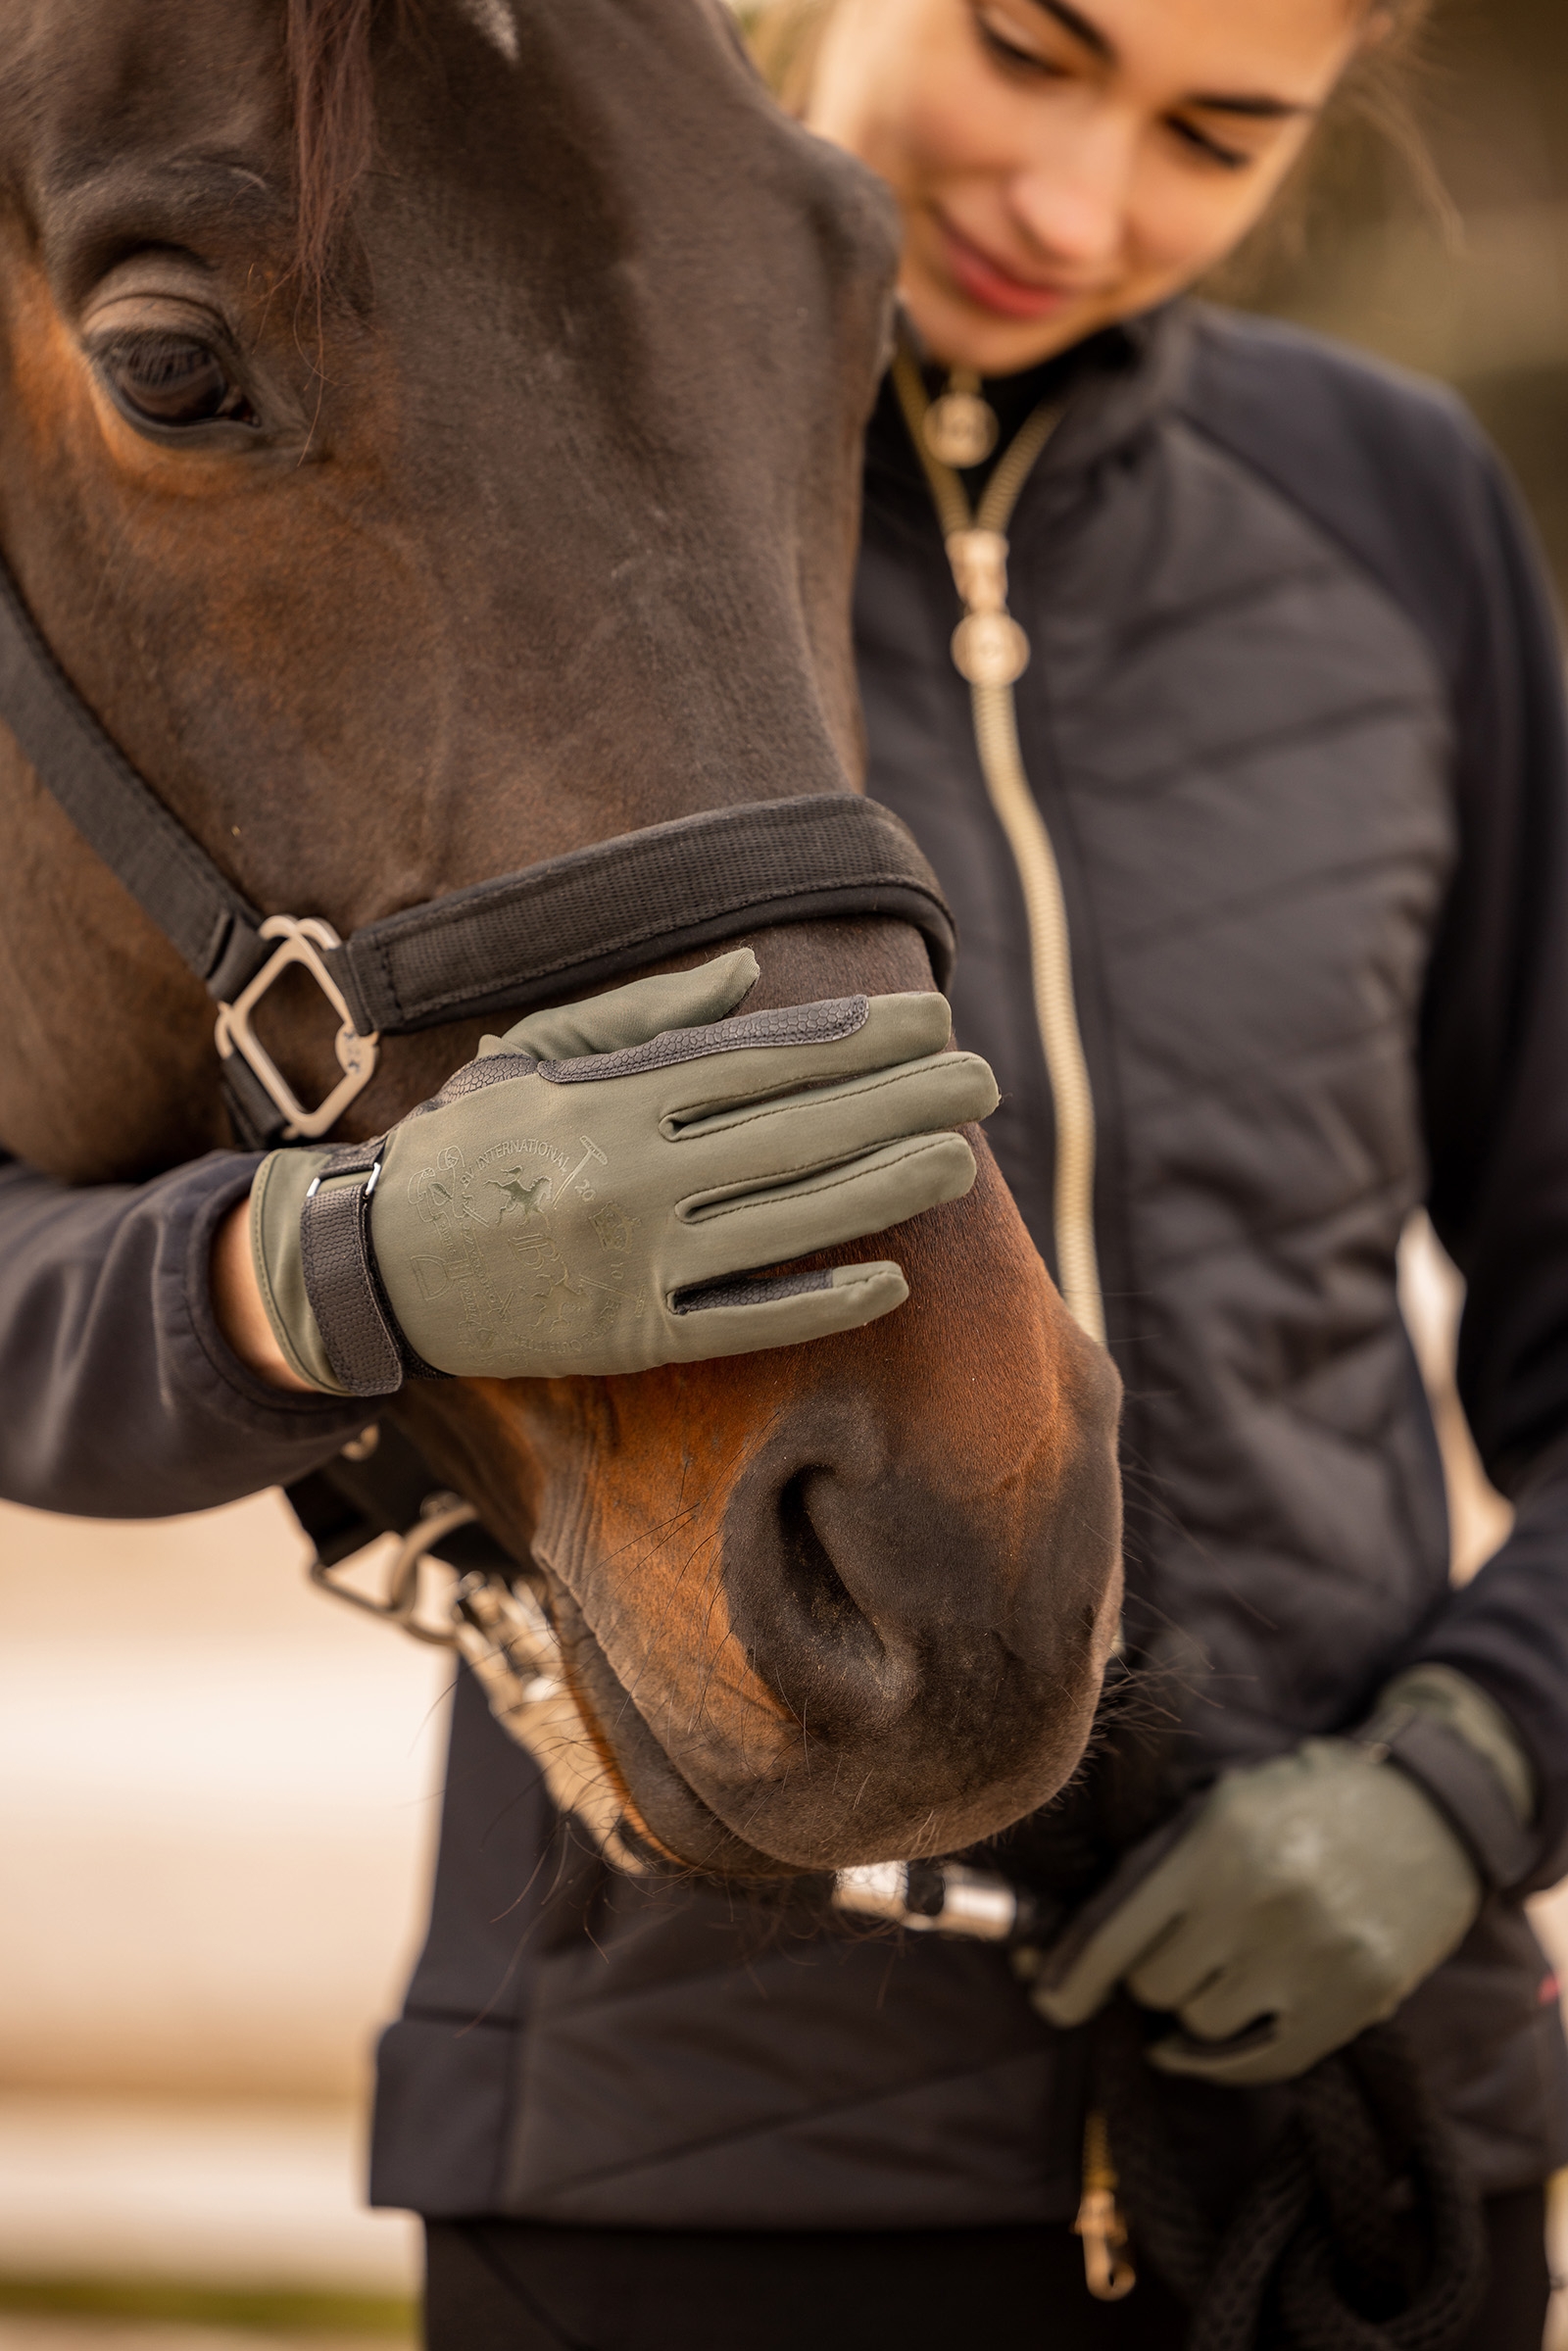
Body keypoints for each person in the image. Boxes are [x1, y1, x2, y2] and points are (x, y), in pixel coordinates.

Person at [5, 6, 1568, 2350]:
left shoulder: (1386, 514)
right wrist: (323, 1277)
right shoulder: (466, 443)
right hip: (679, 2143)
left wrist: (1470, 1781)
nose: (1068, 198)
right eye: (1026, 51)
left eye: (1211, 137)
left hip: (1358, 2137)